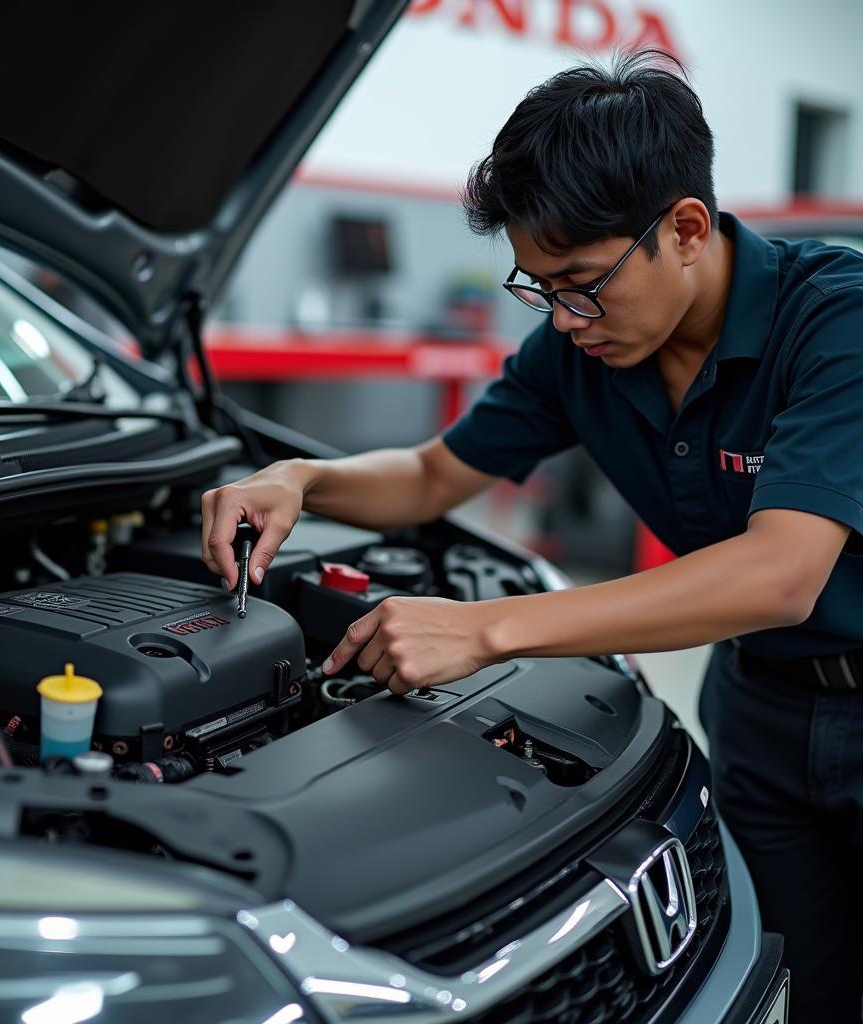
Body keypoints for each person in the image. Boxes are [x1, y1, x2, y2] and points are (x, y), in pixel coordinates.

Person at [200, 51, 863, 1020]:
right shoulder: (579, 350)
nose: (561, 316)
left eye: (581, 284)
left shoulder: (834, 320)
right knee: (790, 984)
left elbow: (780, 574)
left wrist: (486, 627)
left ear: (683, 229)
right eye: (537, 285)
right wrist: (299, 476)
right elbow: (433, 473)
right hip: (758, 709)